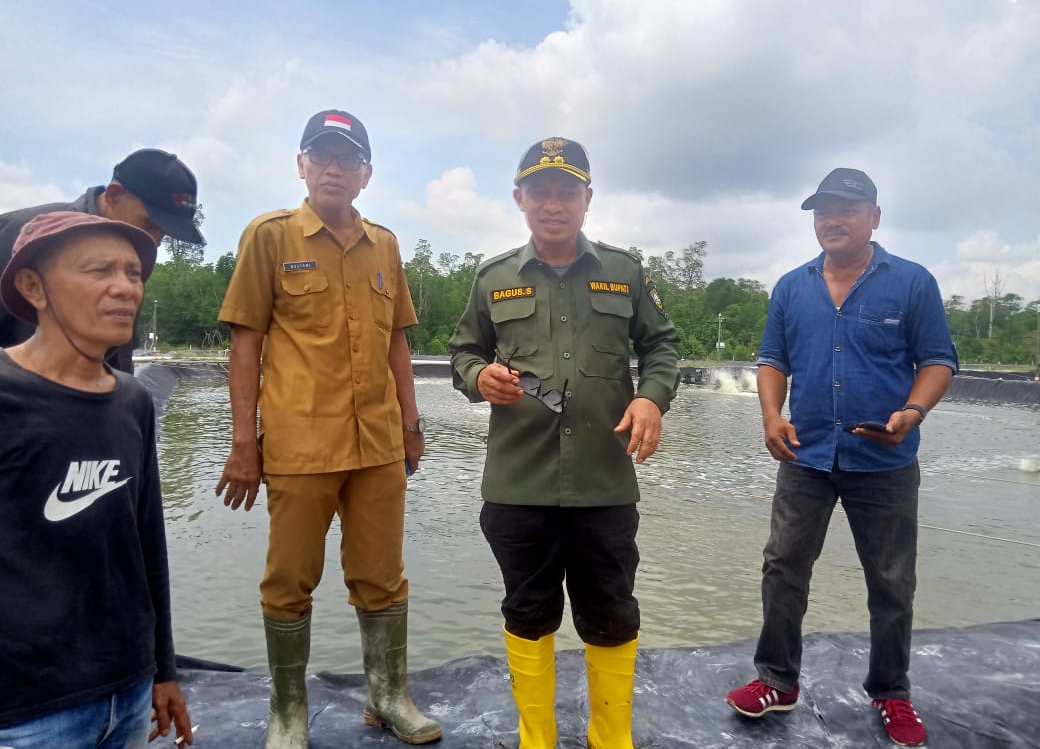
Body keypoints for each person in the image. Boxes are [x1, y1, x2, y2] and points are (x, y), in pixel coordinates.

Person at [215, 109, 441, 747]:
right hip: (298, 443)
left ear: (366, 174)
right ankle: (288, 711)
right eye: (321, 155)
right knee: (289, 579)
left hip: (377, 444)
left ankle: (387, 695)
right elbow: (245, 344)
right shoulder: (270, 236)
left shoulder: (386, 245)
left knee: (381, 574)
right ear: (301, 165)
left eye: (347, 158)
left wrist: (412, 425)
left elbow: (397, 342)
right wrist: (243, 445)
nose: (333, 167)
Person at [448, 137, 681, 749]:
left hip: (604, 480)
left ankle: (612, 739)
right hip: (518, 482)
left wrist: (650, 397)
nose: (555, 204)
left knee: (611, 611)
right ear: (521, 199)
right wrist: (480, 377)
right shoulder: (492, 276)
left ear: (587, 198)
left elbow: (662, 346)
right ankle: (537, 739)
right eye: (542, 192)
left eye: (567, 191)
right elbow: (463, 353)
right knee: (527, 612)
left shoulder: (624, 271)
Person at [725, 168, 958, 747]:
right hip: (804, 454)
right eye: (822, 210)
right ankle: (776, 682)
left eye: (847, 208)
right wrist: (770, 415)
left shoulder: (911, 282)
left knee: (890, 579)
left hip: (885, 458)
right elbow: (772, 360)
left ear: (874, 217)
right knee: (783, 567)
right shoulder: (791, 286)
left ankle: (891, 693)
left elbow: (937, 360)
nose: (832, 218)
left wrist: (913, 411)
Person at [0, 211, 193, 747]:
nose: (124, 288)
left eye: (133, 273)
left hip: (127, 696)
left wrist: (163, 669)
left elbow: (147, 545)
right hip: (27, 714)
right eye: (99, 270)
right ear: (32, 286)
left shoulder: (131, 401)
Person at [0, 148, 204, 371]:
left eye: (164, 233)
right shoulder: (19, 236)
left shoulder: (130, 260)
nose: (155, 242)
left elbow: (118, 361)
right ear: (114, 194)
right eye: (149, 224)